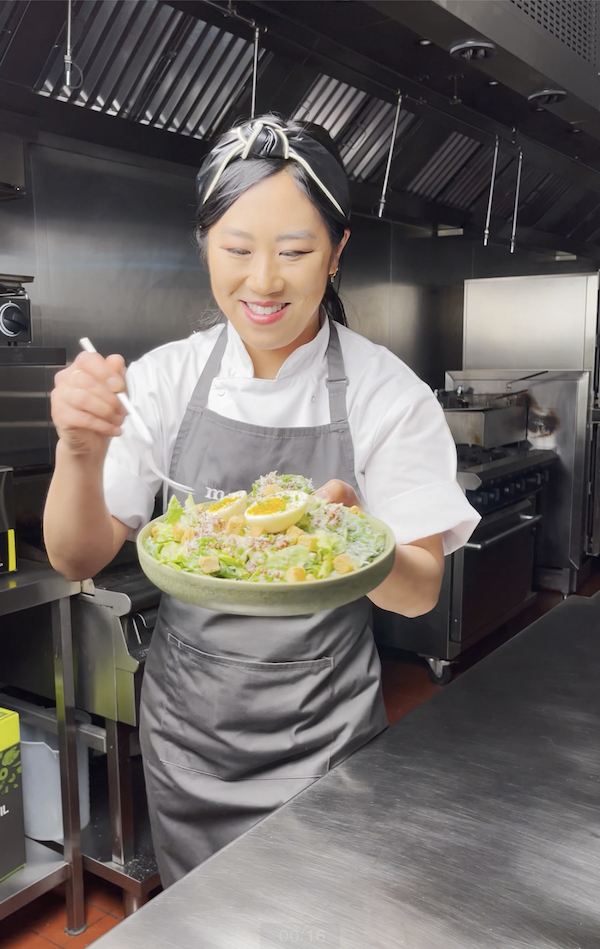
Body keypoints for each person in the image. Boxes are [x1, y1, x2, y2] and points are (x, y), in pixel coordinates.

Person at [44, 115, 479, 887]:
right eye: (238, 249)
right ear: (206, 245)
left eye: (296, 251)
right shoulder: (165, 379)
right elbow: (77, 554)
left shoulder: (386, 393)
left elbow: (419, 590)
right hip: (189, 744)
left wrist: (350, 535)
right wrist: (78, 452)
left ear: (337, 252)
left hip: (328, 745)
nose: (265, 281)